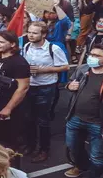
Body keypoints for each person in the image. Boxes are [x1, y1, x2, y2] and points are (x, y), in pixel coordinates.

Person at [64, 44, 103, 178]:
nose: (91, 57)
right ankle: (81, 167)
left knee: (96, 156)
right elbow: (71, 82)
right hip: (75, 119)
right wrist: (69, 86)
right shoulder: (83, 70)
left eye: (96, 55)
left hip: (98, 124)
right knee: (73, 147)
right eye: (91, 53)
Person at [22, 22, 69, 163]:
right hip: (30, 85)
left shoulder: (53, 48)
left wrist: (44, 70)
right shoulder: (26, 46)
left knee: (43, 120)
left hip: (46, 87)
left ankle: (44, 149)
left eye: (35, 33)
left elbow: (65, 67)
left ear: (43, 34)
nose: (31, 35)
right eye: (29, 32)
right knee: (28, 117)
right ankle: (30, 145)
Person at [0, 31, 31, 150]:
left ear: (13, 44)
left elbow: (23, 87)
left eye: (2, 42)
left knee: (9, 143)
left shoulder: (19, 62)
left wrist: (8, 108)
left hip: (7, 109)